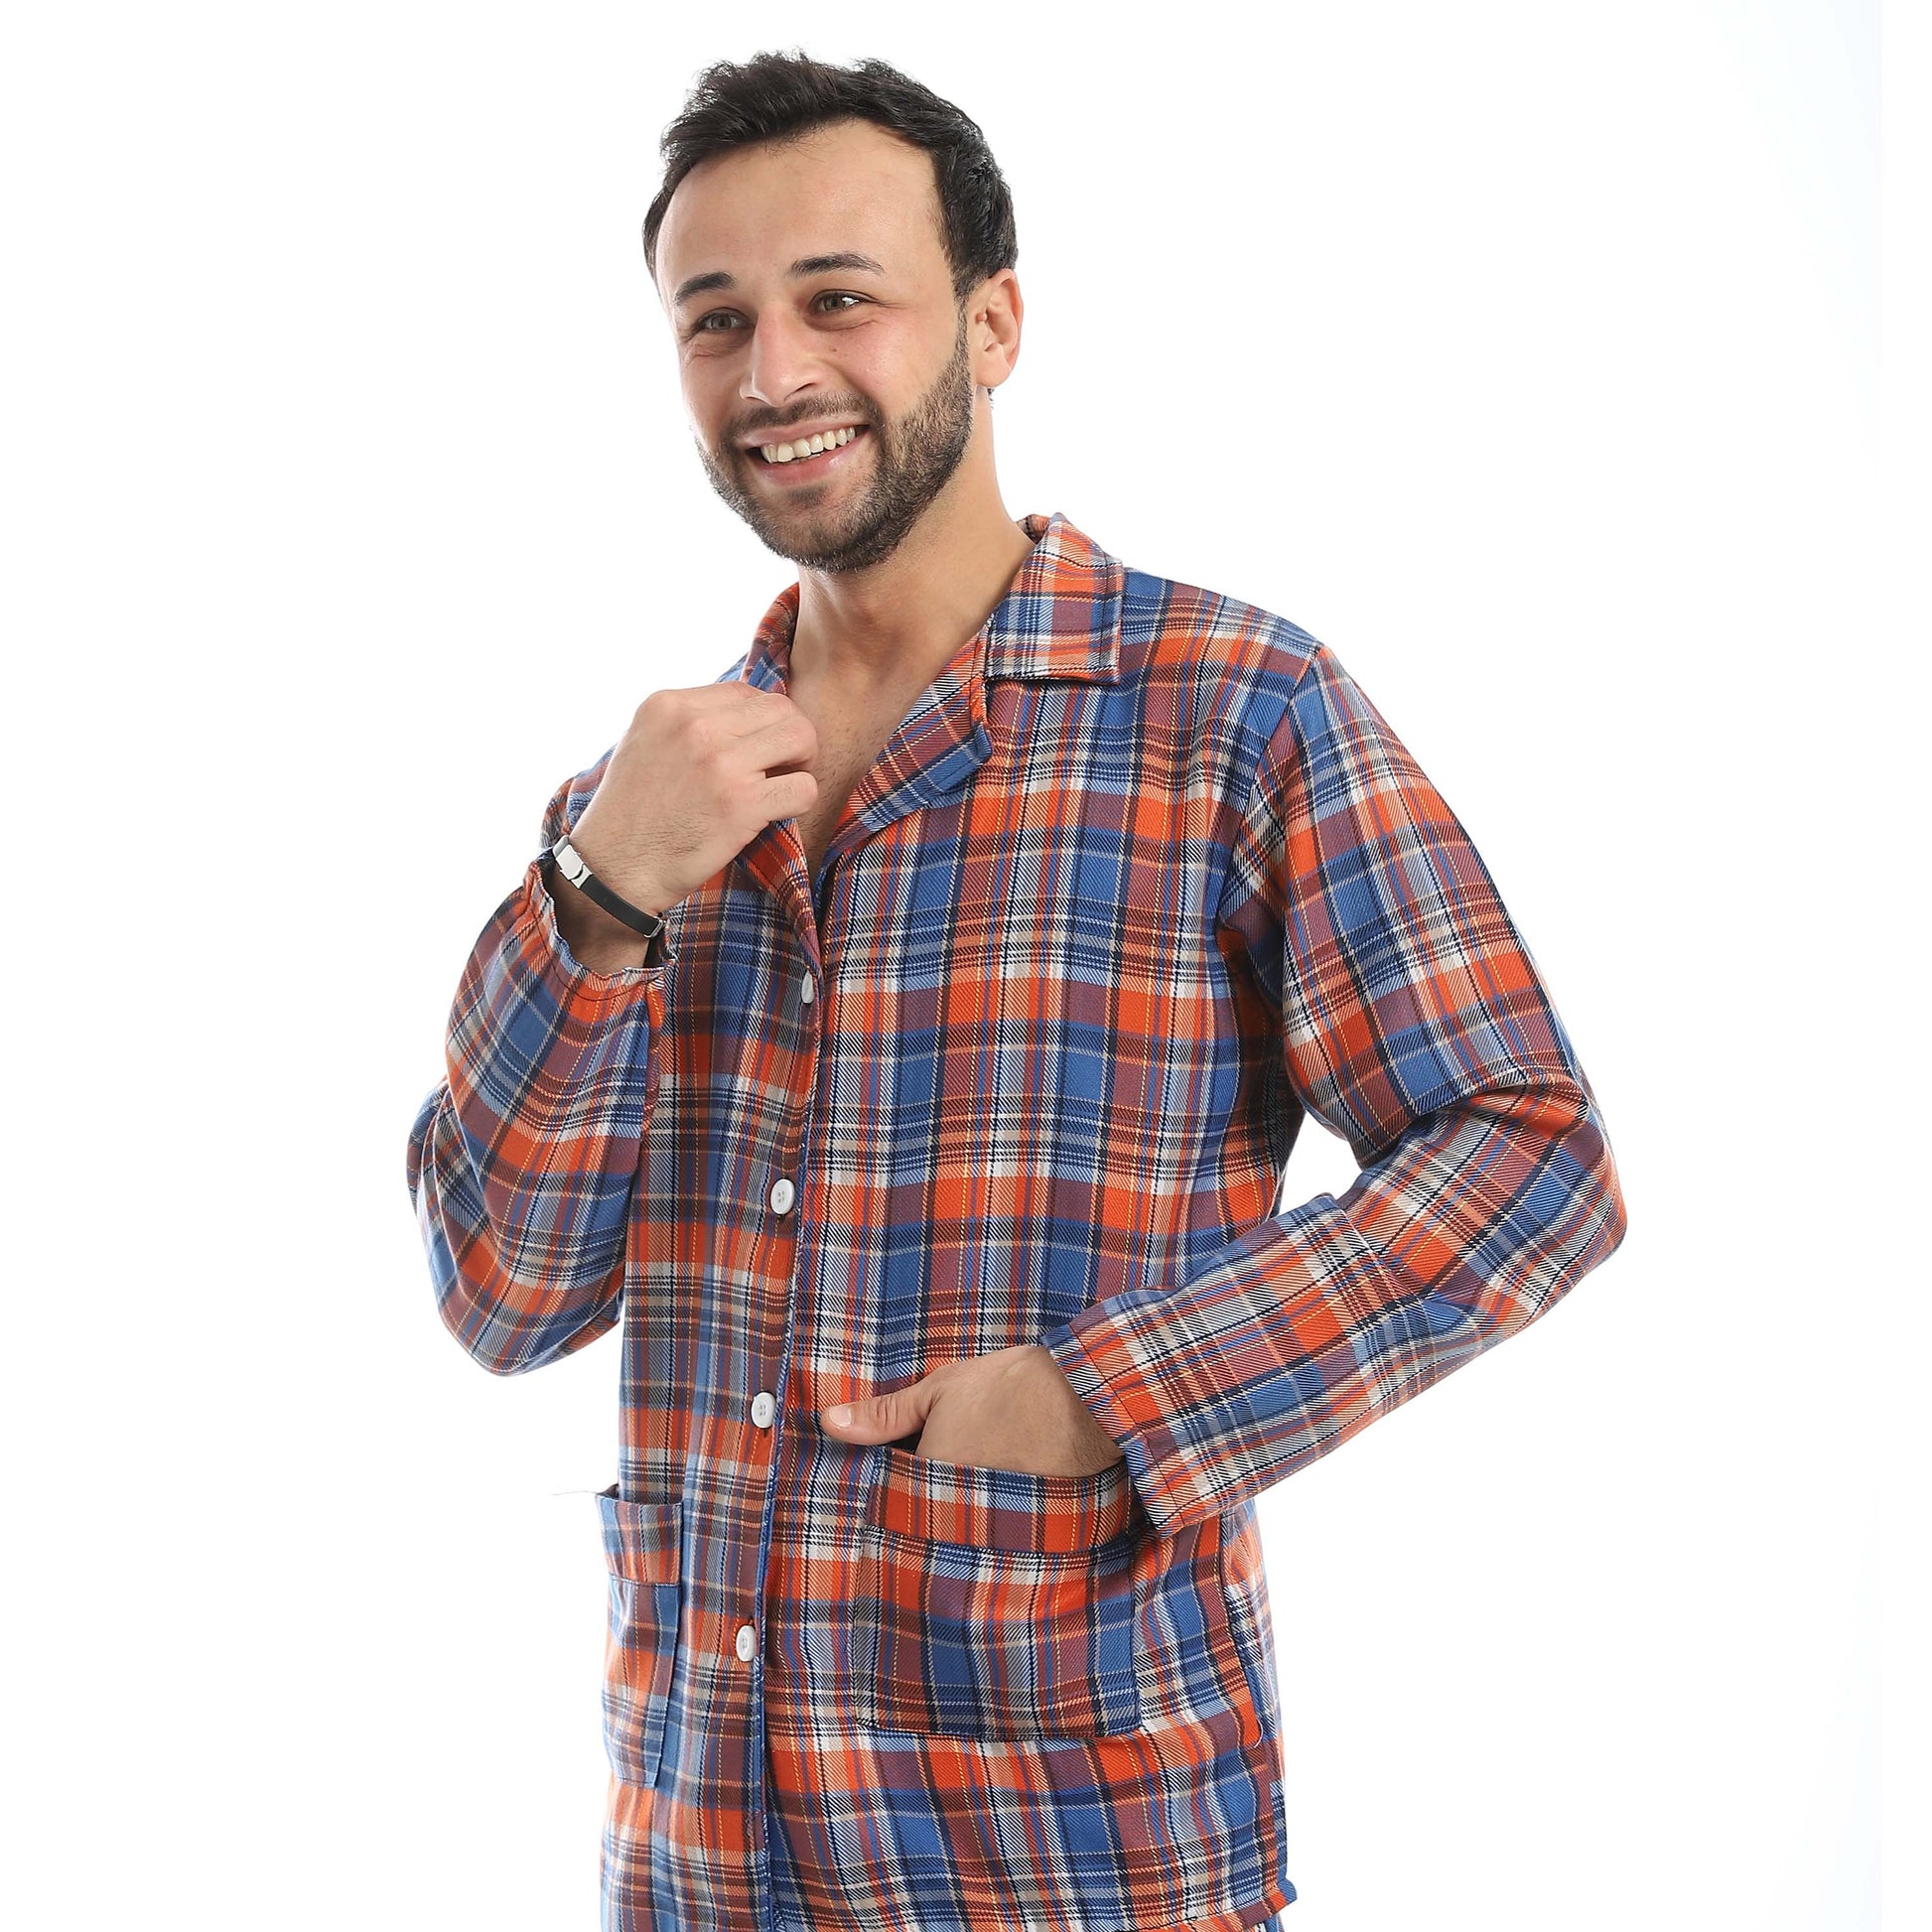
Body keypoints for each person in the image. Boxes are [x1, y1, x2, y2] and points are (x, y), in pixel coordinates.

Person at [405, 51, 1628, 1932]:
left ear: (991, 324)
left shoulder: (1231, 714)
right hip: (703, 1863)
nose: (772, 373)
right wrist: (598, 892)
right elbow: (504, 1296)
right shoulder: (640, 807)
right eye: (713, 320)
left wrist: (1113, 1396)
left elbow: (1528, 1154)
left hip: (1071, 1860)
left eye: (839, 299)